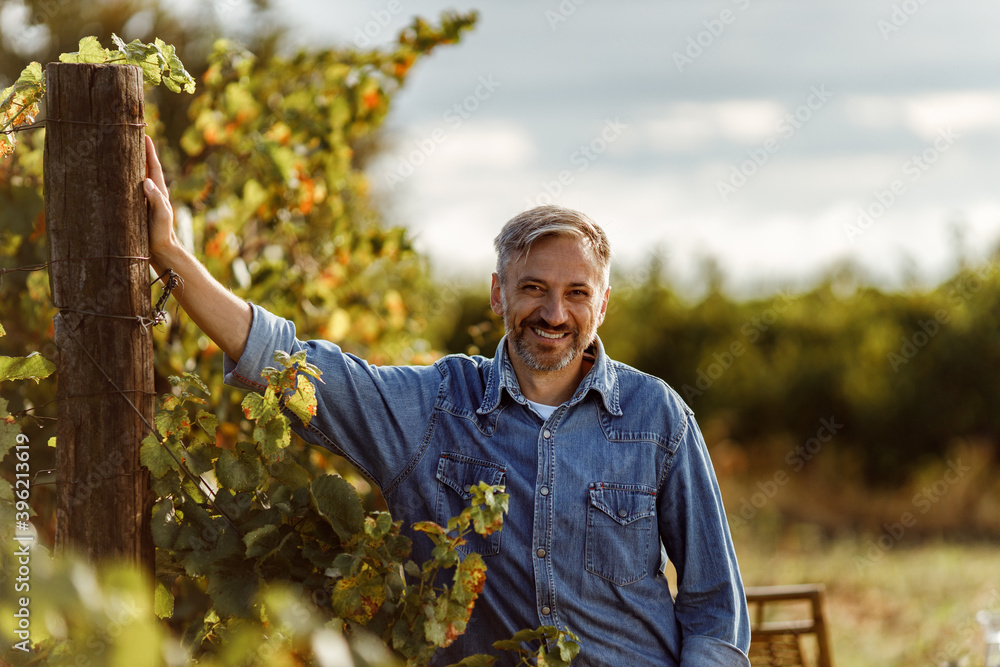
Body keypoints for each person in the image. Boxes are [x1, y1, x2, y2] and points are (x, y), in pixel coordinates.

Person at [143, 136, 751, 666]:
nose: (554, 313)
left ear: (603, 304)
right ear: (497, 294)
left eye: (576, 293)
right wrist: (170, 254)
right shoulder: (433, 407)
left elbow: (713, 605)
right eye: (533, 288)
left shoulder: (656, 418)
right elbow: (287, 363)